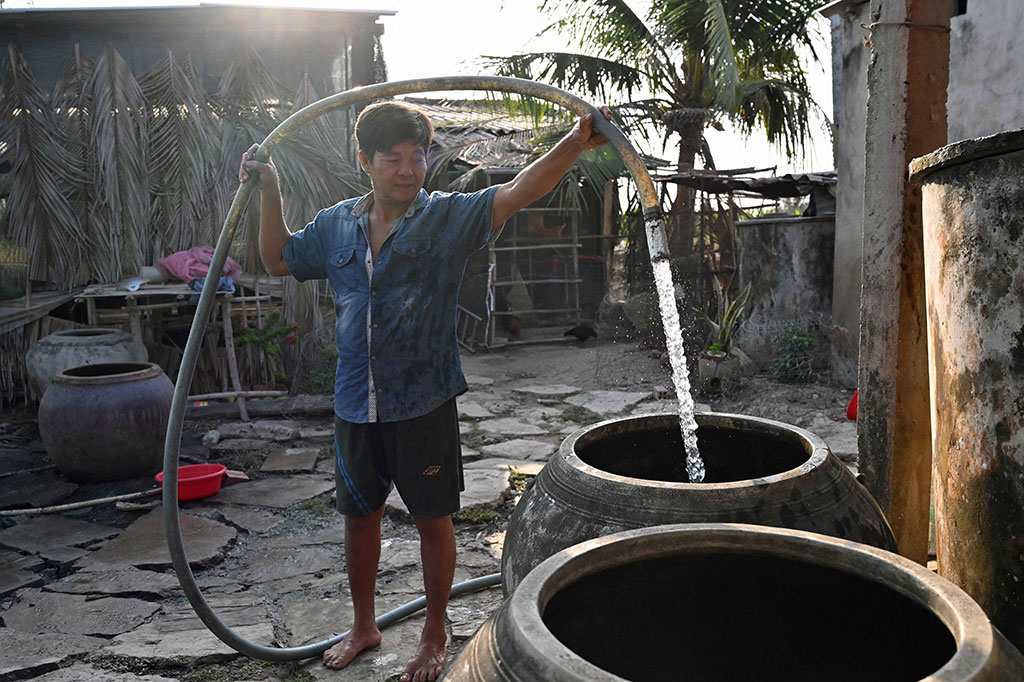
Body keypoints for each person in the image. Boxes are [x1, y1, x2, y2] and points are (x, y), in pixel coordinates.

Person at [239, 100, 614, 682]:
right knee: (358, 518)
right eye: (393, 159)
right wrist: (271, 187)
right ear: (365, 160)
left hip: (424, 399)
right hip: (353, 401)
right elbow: (276, 258)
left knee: (431, 520)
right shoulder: (337, 224)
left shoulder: (447, 217)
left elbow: (517, 192)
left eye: (417, 158)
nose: (408, 171)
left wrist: (573, 141)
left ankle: (435, 633)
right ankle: (365, 625)